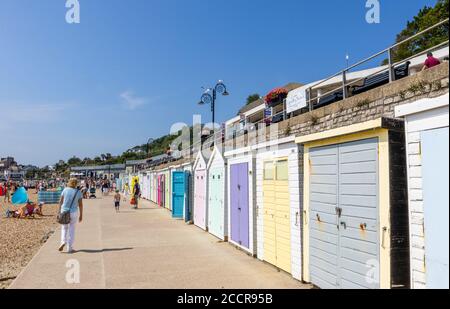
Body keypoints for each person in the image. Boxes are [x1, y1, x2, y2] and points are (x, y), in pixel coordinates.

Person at [58, 178, 83, 254]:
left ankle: (62, 242)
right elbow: (80, 205)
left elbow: (60, 201)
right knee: (72, 229)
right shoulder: (78, 192)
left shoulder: (65, 190)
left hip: (64, 211)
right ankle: (69, 248)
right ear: (76, 184)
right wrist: (81, 215)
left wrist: (59, 211)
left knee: (64, 228)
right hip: (73, 212)